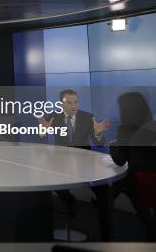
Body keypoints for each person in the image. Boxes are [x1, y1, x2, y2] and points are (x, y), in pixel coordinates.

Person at [37, 89, 112, 239]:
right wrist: (42, 132)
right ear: (61, 104)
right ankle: (68, 200)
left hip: (85, 161)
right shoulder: (54, 116)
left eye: (76, 102)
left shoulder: (87, 117)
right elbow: (40, 139)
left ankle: (107, 237)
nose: (73, 106)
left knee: (105, 193)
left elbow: (99, 142)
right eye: (69, 103)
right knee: (44, 177)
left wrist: (98, 133)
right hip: (61, 161)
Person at [109, 92, 156, 240]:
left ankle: (105, 206)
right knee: (128, 181)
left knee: (127, 181)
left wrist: (113, 146)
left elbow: (120, 160)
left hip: (149, 186)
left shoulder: (127, 130)